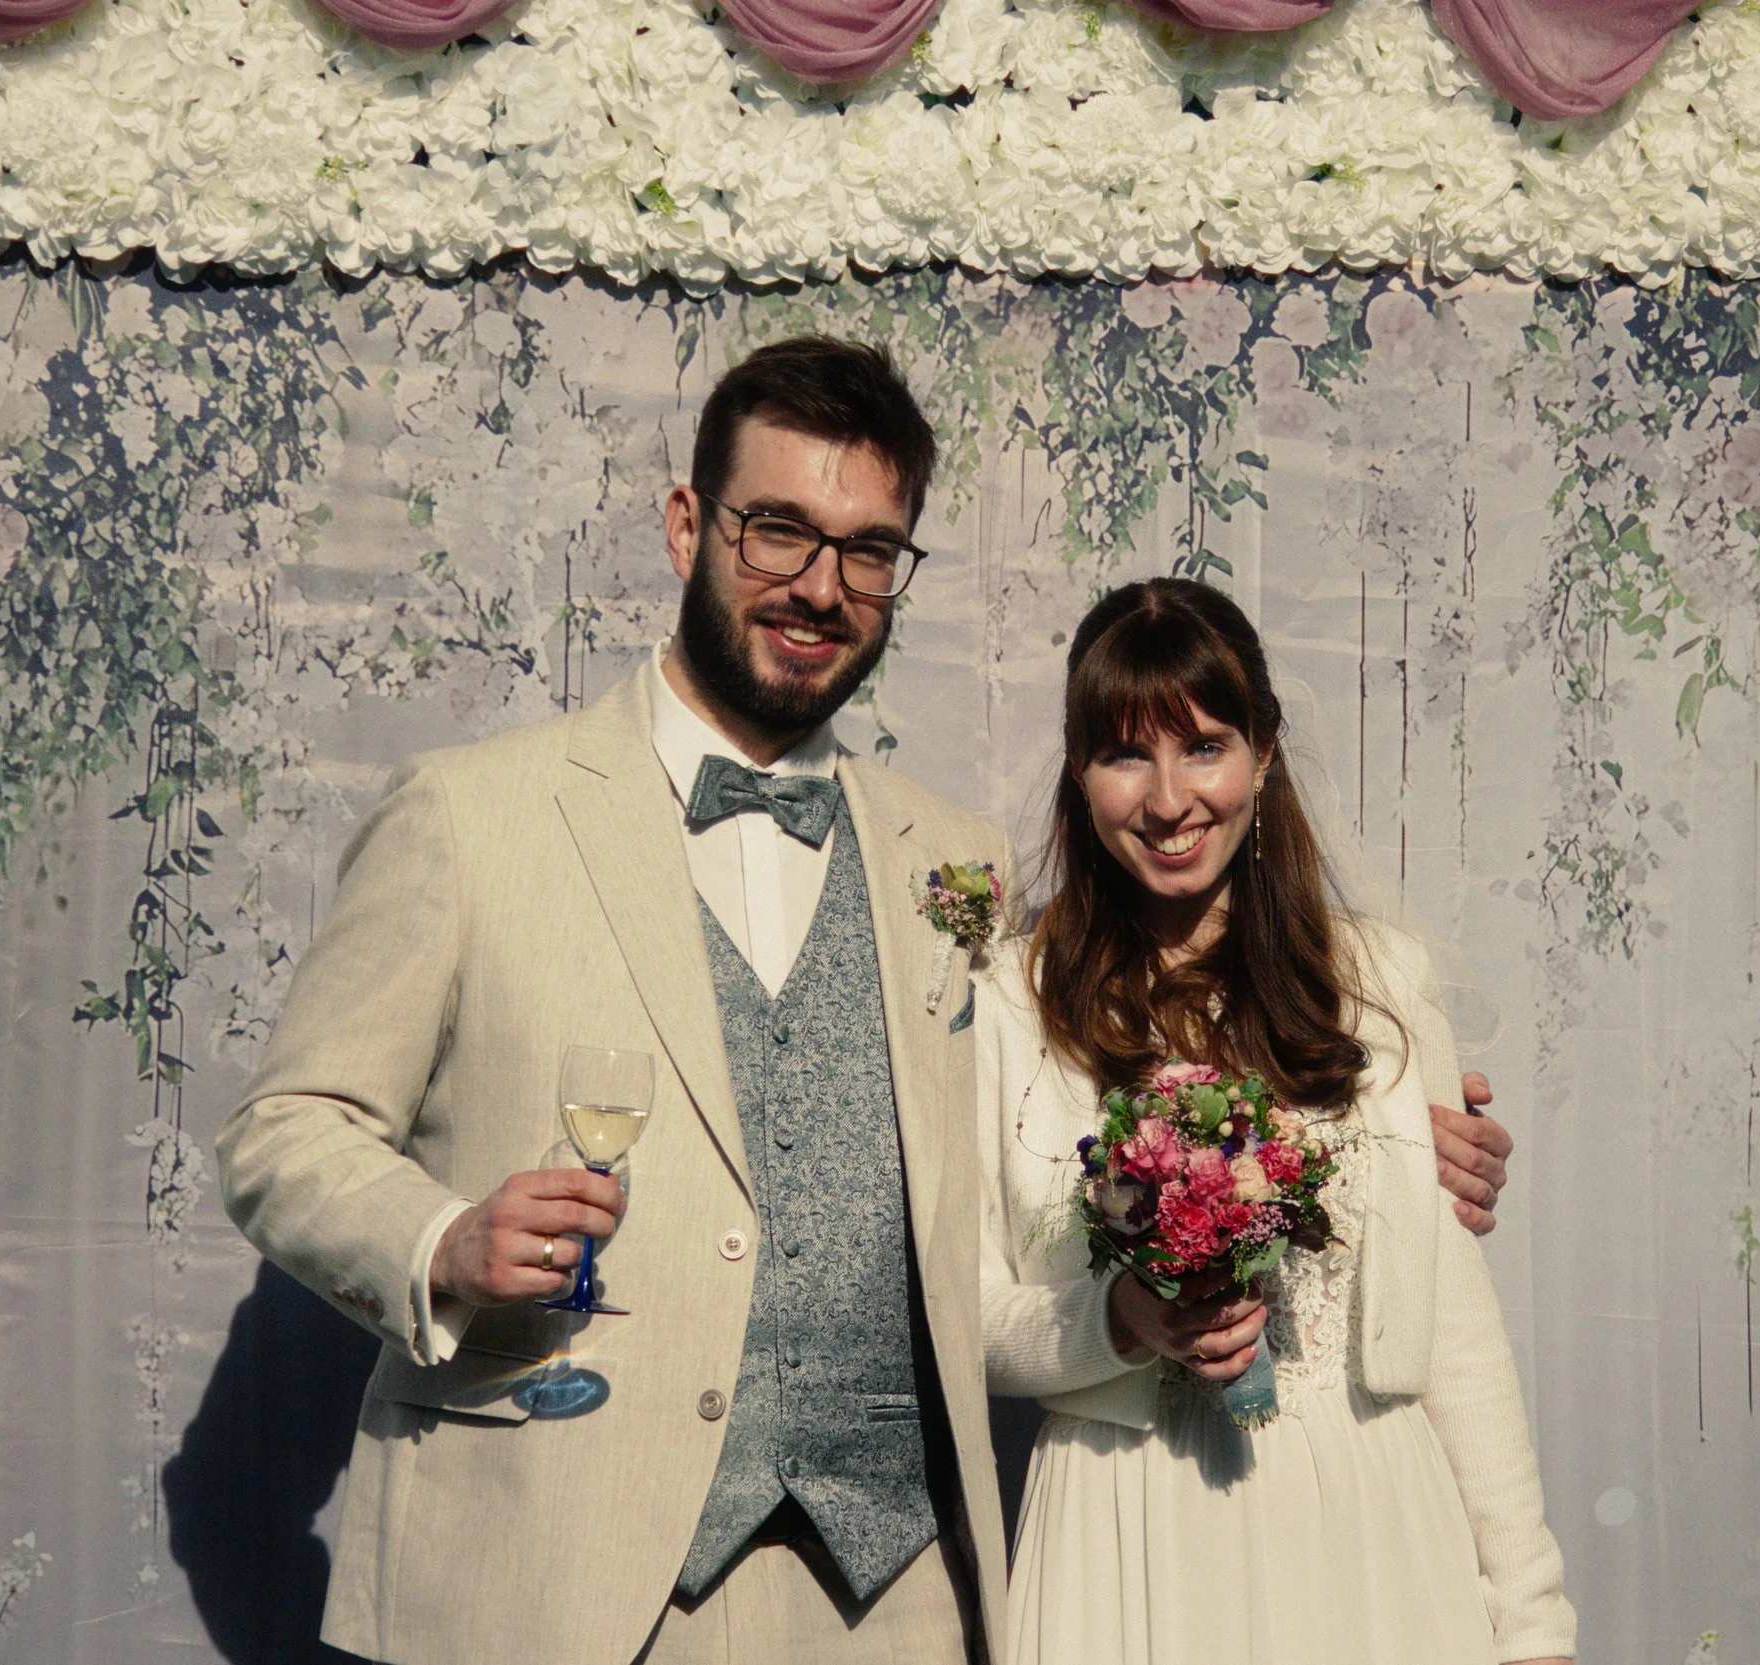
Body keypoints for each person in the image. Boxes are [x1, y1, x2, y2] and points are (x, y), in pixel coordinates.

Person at [219, 336, 1520, 1665]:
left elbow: (1043, 1133)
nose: (819, 586)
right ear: (687, 526)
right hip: (558, 1562)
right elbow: (284, 1133)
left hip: (891, 1598)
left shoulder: (949, 869)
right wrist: (439, 1239)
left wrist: (1398, 1147)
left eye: (867, 550)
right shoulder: (469, 815)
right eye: (777, 531)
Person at [977, 578, 1575, 1665]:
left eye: (1204, 745)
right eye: (1124, 755)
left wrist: (1531, 1619)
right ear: (1078, 770)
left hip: (1368, 1532)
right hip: (1126, 1536)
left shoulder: (1376, 984)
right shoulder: (1008, 1000)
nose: (1168, 800)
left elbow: (1456, 1336)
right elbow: (964, 1319)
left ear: (1263, 751)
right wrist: (1120, 1319)